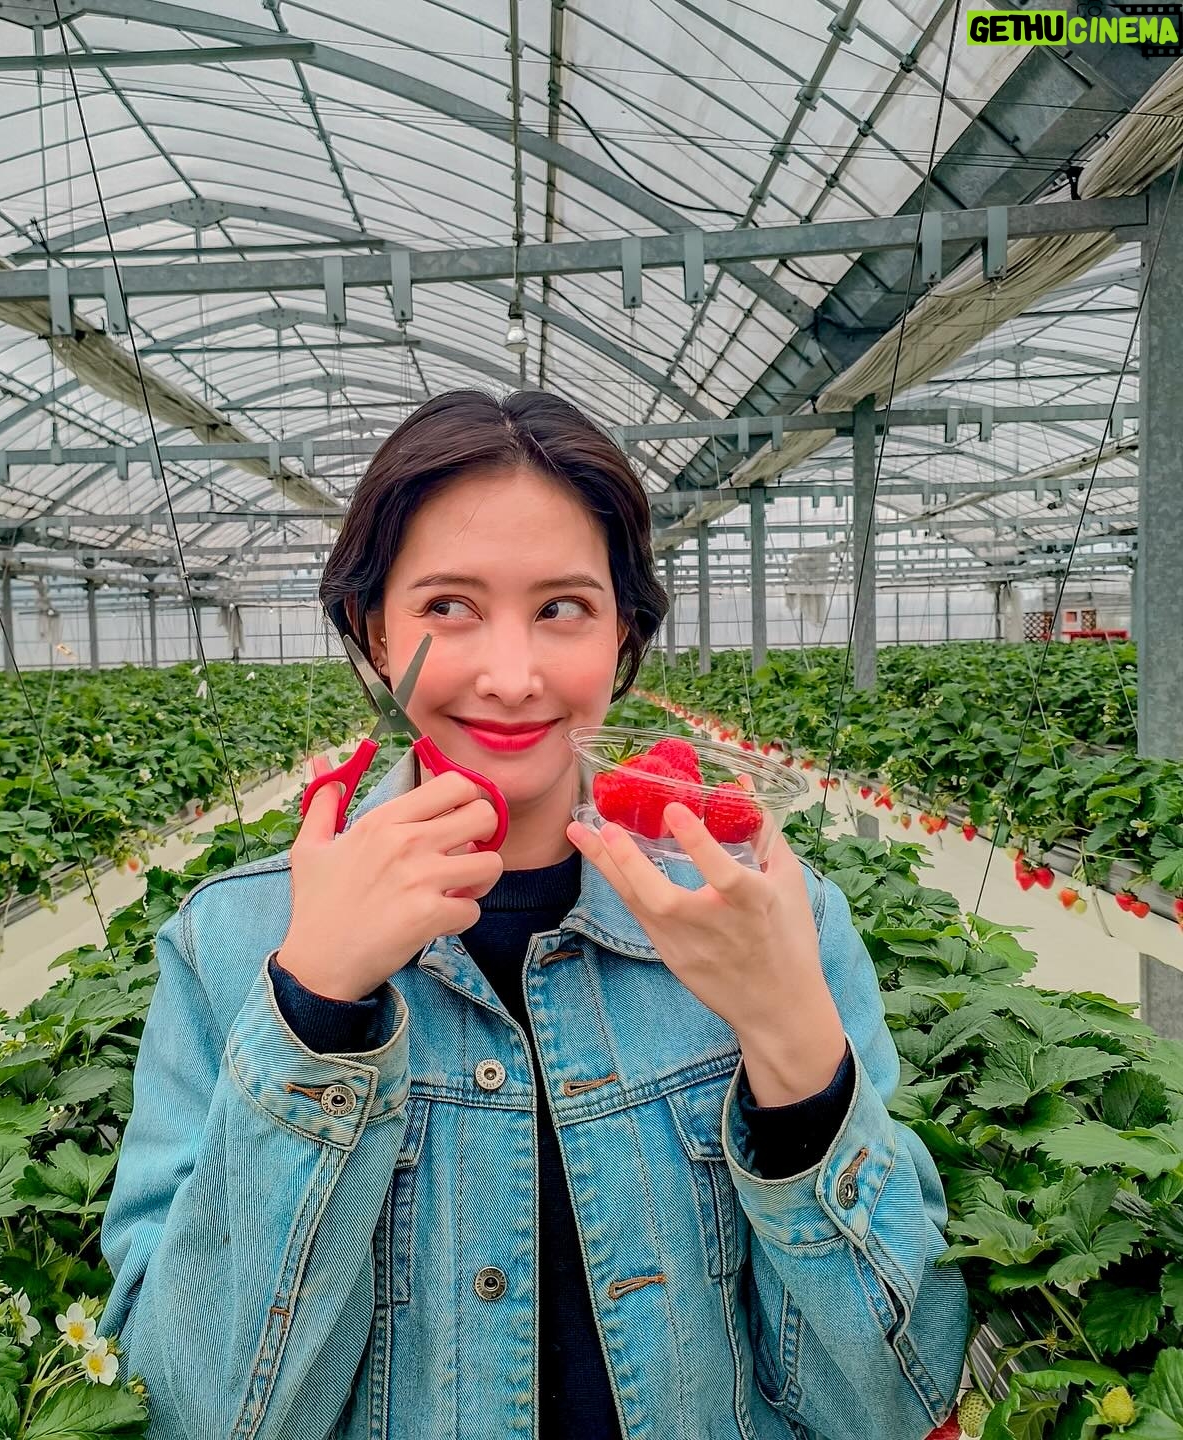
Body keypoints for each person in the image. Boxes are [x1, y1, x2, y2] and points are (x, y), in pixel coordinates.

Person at [98, 390, 969, 1439]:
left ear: (622, 632)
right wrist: (313, 1004)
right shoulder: (235, 944)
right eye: (447, 606)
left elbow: (890, 1400)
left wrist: (790, 1042)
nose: (511, 679)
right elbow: (190, 1412)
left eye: (563, 608)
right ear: (376, 633)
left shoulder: (775, 920)